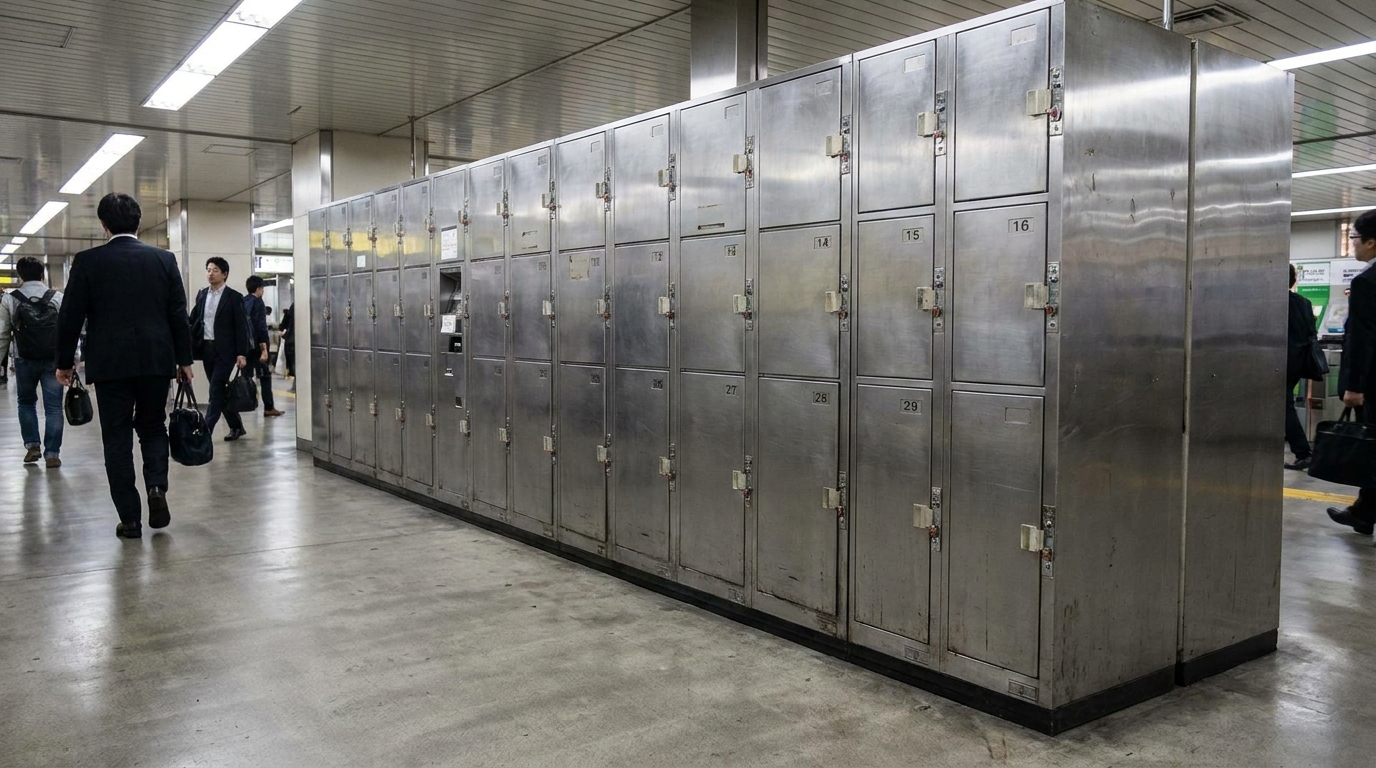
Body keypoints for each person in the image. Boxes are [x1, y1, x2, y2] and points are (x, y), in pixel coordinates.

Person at [56, 193, 195, 539]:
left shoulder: (88, 262)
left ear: (104, 225)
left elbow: (70, 316)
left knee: (116, 437)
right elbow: (177, 314)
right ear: (138, 222)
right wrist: (185, 360)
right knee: (152, 427)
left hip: (110, 363)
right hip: (155, 360)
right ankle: (157, 489)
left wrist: (64, 363)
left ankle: (130, 519)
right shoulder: (164, 259)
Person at [1329, 209, 1376, 535]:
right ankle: (1363, 511)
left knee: (1371, 447)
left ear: (1372, 242)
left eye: (1354, 238)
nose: (1353, 245)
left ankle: (1364, 512)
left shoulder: (1366, 282)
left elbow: (1362, 339)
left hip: (1373, 384)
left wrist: (1355, 386)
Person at [0, 256, 65, 468]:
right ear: (42, 274)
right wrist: (69, 359)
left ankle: (32, 446)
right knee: (54, 407)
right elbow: (68, 330)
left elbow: (3, 333)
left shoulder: (10, 299)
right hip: (53, 359)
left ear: (20, 275)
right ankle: (53, 453)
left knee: (26, 402)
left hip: (24, 359)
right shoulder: (57, 297)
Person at [189, 258, 252, 441]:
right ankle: (237, 426)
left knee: (215, 390)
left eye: (215, 270)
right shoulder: (202, 294)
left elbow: (241, 327)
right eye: (208, 269)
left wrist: (241, 353)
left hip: (226, 352)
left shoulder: (233, 297)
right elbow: (194, 320)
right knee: (220, 391)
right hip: (207, 350)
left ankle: (205, 431)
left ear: (224, 274)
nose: (210, 273)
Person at [1285, 264, 1317, 470]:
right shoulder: (1304, 303)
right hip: (1297, 364)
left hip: (1277, 362)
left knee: (1284, 406)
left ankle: (1303, 452)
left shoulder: (1273, 303)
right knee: (1284, 405)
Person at [244, 276, 284, 417]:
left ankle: (246, 402)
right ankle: (269, 407)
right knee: (265, 376)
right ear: (259, 288)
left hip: (246, 347)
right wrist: (264, 350)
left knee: (246, 376)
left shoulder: (244, 301)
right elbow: (261, 327)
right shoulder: (258, 303)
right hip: (258, 347)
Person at [279, 303, 295, 378]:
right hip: (295, 339)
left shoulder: (293, 306)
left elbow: (284, 322)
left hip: (290, 340)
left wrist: (282, 329)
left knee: (292, 362)